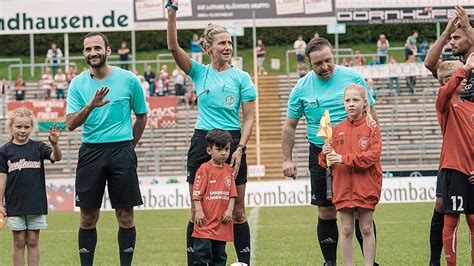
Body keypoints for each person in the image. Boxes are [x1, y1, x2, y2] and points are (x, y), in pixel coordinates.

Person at [166, 2, 256, 265]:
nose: (227, 47)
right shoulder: (199, 72)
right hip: (202, 140)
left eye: (229, 42)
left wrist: (241, 148)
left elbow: (249, 117)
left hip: (233, 141)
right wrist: (171, 14)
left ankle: (243, 263)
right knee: (196, 210)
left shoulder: (242, 78)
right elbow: (173, 47)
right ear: (207, 48)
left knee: (238, 211)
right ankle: (193, 262)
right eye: (221, 43)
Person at [281, 37, 379, 266]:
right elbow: (289, 125)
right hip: (321, 154)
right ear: (309, 63)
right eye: (318, 64)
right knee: (326, 212)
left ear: (333, 55)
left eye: (328, 60)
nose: (325, 67)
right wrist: (287, 159)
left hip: (354, 155)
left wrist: (375, 146)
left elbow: (372, 115)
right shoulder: (301, 87)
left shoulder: (353, 78)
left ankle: (369, 262)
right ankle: (330, 262)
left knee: (360, 211)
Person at [65, 32, 148, 266]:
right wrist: (91, 105)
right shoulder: (78, 83)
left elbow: (141, 117)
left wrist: (129, 147)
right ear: (84, 53)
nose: (92, 53)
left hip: (122, 150)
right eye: (87, 49)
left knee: (125, 216)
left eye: (97, 48)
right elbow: (70, 124)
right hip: (91, 152)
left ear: (108, 51)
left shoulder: (129, 79)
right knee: (88, 218)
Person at [424, 7, 474, 265]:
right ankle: (436, 260)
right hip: (454, 156)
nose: (452, 42)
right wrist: (446, 31)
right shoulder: (450, 74)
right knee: (443, 207)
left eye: (456, 38)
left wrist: (469, 27)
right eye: (450, 39)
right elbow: (430, 64)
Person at [318, 84, 382, 266]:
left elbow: (372, 156)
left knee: (366, 228)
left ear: (364, 103)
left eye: (355, 100)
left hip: (366, 186)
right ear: (343, 104)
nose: (351, 104)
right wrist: (325, 153)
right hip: (343, 186)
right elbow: (324, 162)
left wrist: (343, 158)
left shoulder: (372, 128)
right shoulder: (336, 129)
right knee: (346, 229)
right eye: (347, 100)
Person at [0, 108, 62, 266]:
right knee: (19, 242)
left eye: (26, 127)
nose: (22, 130)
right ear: (11, 127)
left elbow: (57, 157)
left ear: (31, 128)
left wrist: (55, 144)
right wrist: (0, 203)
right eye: (18, 127)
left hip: (36, 202)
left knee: (33, 241)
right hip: (15, 203)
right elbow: (2, 177)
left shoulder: (39, 147)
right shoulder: (4, 151)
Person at [435, 57, 474, 266]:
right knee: (451, 219)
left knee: (473, 220)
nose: (464, 79)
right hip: (453, 169)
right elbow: (445, 93)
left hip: (472, 171)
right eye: (460, 76)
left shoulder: (471, 106)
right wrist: (465, 68)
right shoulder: (445, 104)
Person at [192, 129, 238, 265]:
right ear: (209, 151)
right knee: (202, 255)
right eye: (219, 149)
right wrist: (199, 211)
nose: (224, 153)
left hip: (221, 223)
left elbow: (232, 194)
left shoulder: (229, 170)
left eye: (227, 149)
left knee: (219, 257)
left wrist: (229, 210)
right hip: (205, 223)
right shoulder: (204, 169)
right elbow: (196, 193)